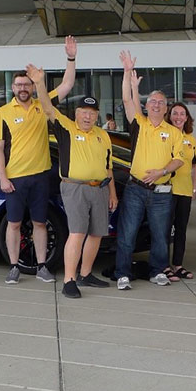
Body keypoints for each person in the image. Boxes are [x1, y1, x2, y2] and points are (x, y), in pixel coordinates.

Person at [30, 65, 117, 298]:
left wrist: (112, 193)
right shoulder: (66, 127)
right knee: (77, 233)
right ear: (76, 113)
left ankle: (85, 274)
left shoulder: (103, 135)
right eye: (84, 111)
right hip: (74, 188)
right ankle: (69, 280)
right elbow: (46, 107)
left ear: (97, 115)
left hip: (99, 189)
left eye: (92, 112)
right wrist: (39, 82)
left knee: (97, 233)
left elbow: (108, 166)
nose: (88, 116)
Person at [115, 50, 185, 290]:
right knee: (128, 234)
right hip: (135, 189)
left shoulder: (175, 133)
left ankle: (158, 272)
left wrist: (161, 171)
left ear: (166, 109)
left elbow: (179, 160)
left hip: (162, 191)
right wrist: (127, 74)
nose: (156, 104)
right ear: (146, 106)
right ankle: (122, 274)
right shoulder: (140, 124)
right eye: (152, 101)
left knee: (160, 235)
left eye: (161, 102)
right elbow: (126, 100)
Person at [0, 68, 56, 285]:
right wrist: (3, 177)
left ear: (32, 86)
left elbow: (66, 85)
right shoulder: (1, 112)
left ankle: (41, 266)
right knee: (14, 223)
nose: (22, 88)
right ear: (13, 88)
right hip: (15, 178)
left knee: (40, 223)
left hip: (40, 176)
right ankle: (13, 267)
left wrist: (71, 59)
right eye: (19, 85)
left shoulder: (43, 105)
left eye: (26, 84)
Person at [164, 101, 196, 281]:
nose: (178, 117)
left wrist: (194, 187)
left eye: (182, 114)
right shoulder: (165, 135)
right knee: (164, 229)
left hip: (185, 190)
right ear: (169, 116)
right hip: (168, 190)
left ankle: (177, 264)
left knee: (181, 229)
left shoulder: (191, 139)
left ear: (187, 118)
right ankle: (163, 266)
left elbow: (195, 165)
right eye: (175, 114)